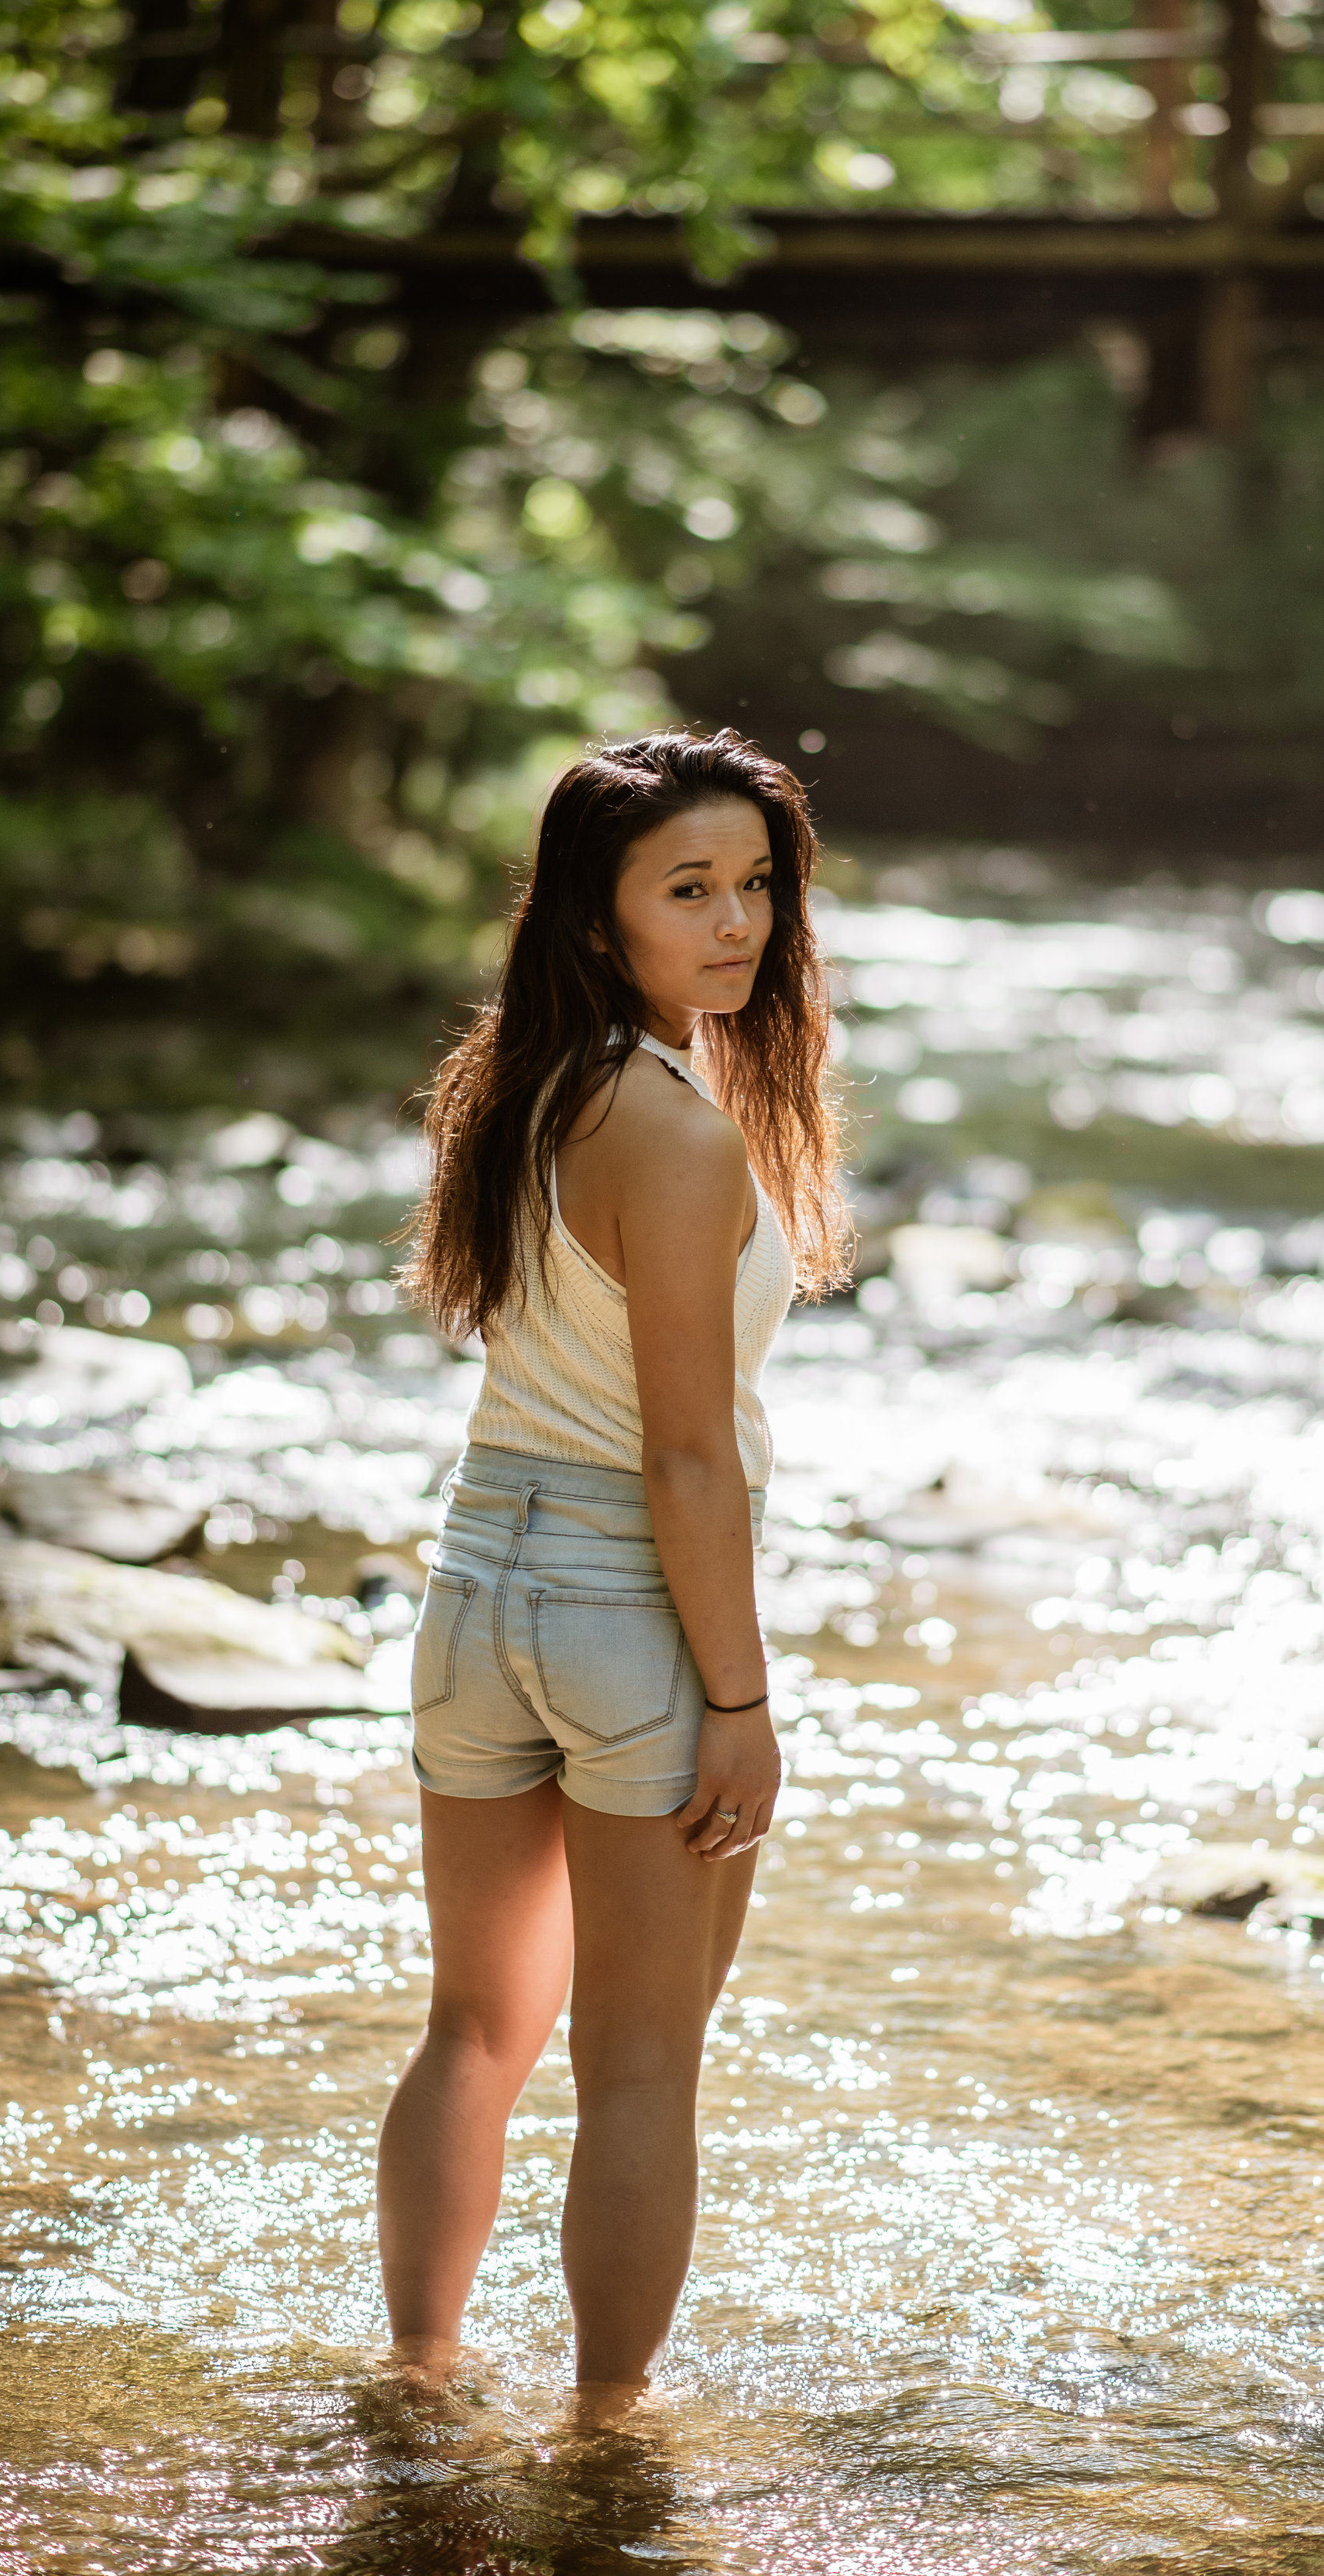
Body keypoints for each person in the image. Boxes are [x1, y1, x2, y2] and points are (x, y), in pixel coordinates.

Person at [379, 727, 849, 2407]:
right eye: (689, 890)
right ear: (597, 918)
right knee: (642, 2067)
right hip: (620, 1603)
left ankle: (422, 2380)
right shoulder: (678, 1135)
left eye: (756, 885)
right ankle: (603, 2438)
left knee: (472, 2029)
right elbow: (682, 1455)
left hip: (471, 1585)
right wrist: (740, 1698)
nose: (738, 923)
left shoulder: (507, 1083)